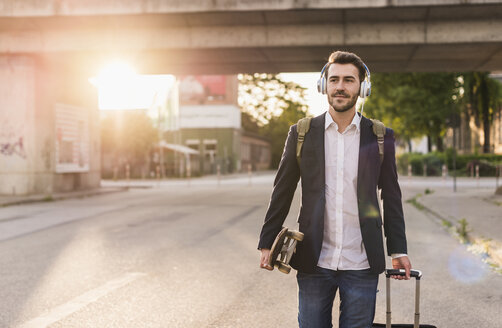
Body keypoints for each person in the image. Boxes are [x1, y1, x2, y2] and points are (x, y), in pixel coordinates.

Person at [257, 50, 411, 328]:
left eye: (349, 80)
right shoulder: (301, 133)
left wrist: (398, 249)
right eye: (334, 79)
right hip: (314, 261)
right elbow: (282, 189)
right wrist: (267, 241)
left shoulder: (380, 136)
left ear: (362, 88)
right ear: (323, 85)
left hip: (362, 263)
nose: (340, 86)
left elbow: (391, 195)